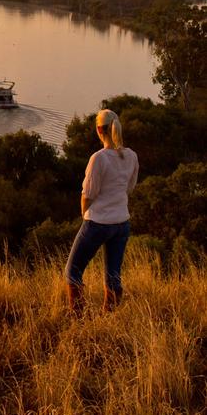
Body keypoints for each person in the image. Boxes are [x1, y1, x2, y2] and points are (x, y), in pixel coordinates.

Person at [64, 108, 139, 315]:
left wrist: (84, 213)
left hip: (97, 223)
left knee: (72, 272)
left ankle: (78, 319)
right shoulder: (131, 156)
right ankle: (109, 317)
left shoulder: (98, 158)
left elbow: (88, 193)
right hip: (122, 223)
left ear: (99, 130)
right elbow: (129, 188)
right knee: (113, 275)